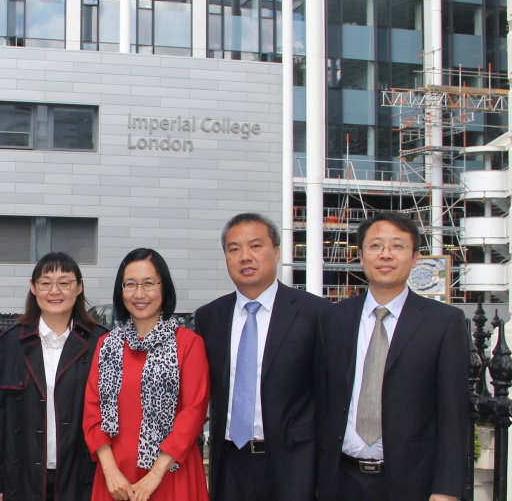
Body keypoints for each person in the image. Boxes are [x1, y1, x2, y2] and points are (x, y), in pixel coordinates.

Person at [315, 212, 469, 501]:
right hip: (340, 480)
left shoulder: (444, 322)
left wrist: (446, 489)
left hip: (411, 482)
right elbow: (320, 399)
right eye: (376, 246)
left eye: (397, 246)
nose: (386, 254)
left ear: (415, 258)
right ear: (361, 256)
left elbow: (453, 411)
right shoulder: (333, 318)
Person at [193, 213, 328, 500]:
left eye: (255, 246)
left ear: (276, 252)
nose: (245, 256)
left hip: (293, 465)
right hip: (229, 463)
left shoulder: (316, 314)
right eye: (234, 249)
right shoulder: (210, 317)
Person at [83, 248, 209, 501]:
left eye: (149, 283)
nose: (139, 294)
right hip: (116, 479)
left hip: (172, 473)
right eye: (130, 284)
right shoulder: (107, 345)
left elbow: (194, 413)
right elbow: (92, 412)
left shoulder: (188, 344)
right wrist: (110, 471)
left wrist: (155, 475)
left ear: (164, 288)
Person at [0, 252, 106, 501]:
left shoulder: (101, 342)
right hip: (23, 477)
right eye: (46, 283)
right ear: (33, 287)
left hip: (83, 476)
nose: (55, 291)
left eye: (64, 283)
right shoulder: (10, 343)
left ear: (79, 287)